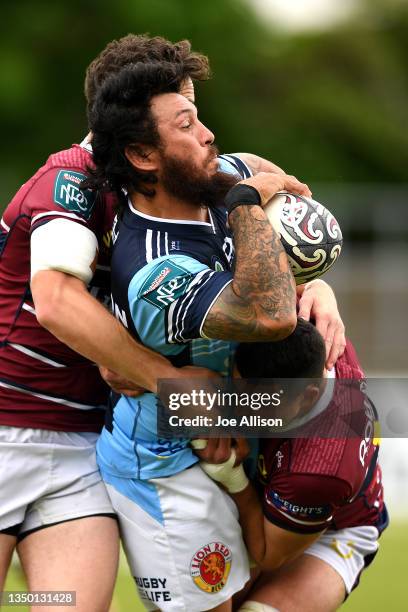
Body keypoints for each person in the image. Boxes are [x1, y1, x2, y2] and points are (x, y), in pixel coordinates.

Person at [0, 32, 344, 608]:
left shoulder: (190, 180)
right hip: (9, 422)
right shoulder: (71, 180)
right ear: (140, 143)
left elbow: (263, 199)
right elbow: (57, 301)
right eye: (183, 116)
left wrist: (314, 283)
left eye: (194, 109)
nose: (206, 133)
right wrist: (164, 378)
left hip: (82, 438)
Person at [197, 319, 388, 612]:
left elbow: (268, 554)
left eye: (261, 403)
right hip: (278, 497)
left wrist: (234, 479)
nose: (243, 411)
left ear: (307, 396)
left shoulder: (318, 470)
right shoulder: (318, 334)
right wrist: (318, 287)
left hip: (338, 529)